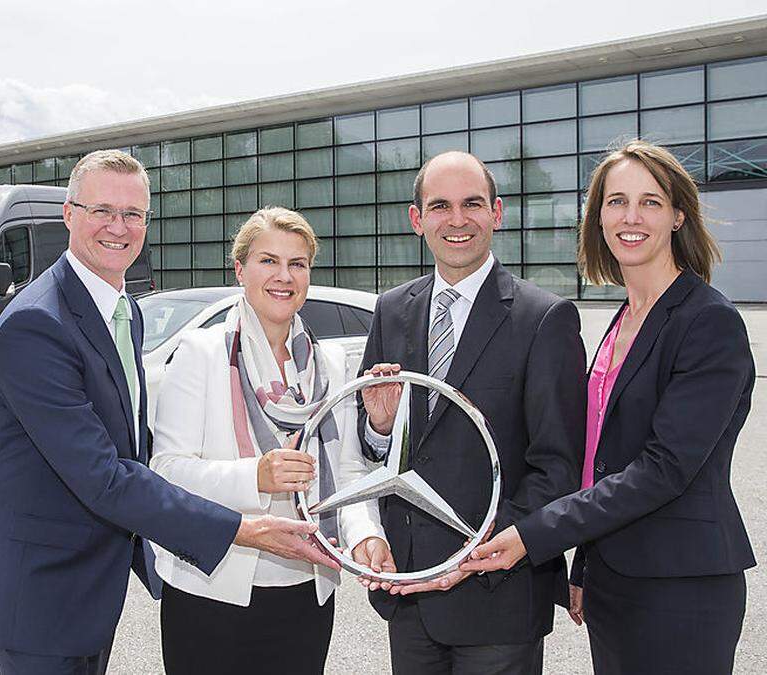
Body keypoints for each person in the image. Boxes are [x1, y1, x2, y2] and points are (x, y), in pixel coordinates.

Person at [0, 150, 338, 675]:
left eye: (133, 214)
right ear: (69, 214)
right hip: (40, 587)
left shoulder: (123, 311)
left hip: (90, 582)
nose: (119, 227)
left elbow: (130, 446)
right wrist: (239, 530)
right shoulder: (36, 325)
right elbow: (104, 476)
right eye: (102, 211)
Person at [463, 140, 756, 674]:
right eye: (616, 201)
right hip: (615, 582)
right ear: (598, 217)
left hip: (681, 587)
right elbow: (604, 459)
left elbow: (663, 469)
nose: (631, 216)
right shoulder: (623, 319)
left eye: (650, 201)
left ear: (677, 216)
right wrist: (586, 566)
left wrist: (535, 534)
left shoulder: (707, 320)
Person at [356, 151, 586, 674]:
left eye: (472, 204)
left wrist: (487, 545)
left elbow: (559, 466)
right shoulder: (392, 309)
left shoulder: (544, 318)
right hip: (411, 591)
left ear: (497, 212)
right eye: (440, 206)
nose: (456, 220)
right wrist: (380, 425)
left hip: (498, 596)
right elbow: (371, 447)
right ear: (417, 220)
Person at [150, 207, 392, 674]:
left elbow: (347, 474)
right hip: (213, 591)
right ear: (240, 270)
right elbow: (167, 472)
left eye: (297, 264)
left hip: (304, 593)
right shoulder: (202, 353)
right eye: (268, 261)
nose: (284, 276)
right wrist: (256, 476)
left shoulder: (329, 366)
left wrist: (365, 536)